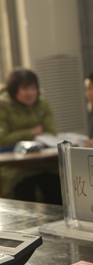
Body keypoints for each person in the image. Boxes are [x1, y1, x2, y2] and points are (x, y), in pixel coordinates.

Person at [0, 68, 61, 203]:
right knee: (24, 192)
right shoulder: (3, 105)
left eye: (33, 88)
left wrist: (18, 135)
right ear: (13, 90)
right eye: (25, 88)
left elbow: (51, 134)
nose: (30, 93)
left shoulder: (42, 103)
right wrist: (31, 132)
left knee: (57, 188)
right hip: (15, 168)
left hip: (44, 164)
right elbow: (2, 140)